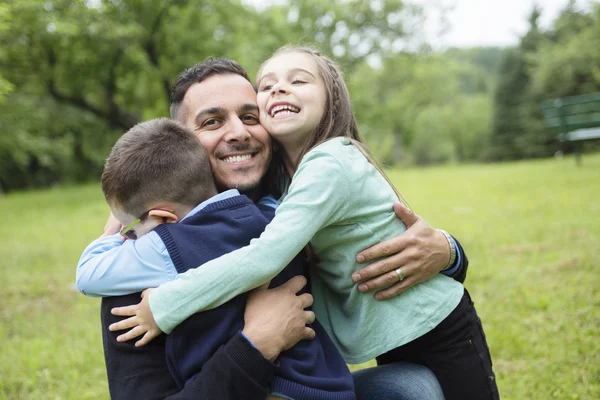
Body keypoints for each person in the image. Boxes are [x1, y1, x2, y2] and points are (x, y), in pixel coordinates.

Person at [112, 47, 499, 400]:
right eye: (212, 121)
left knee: (412, 388)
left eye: (250, 116)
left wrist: (448, 252)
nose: (239, 132)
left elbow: (374, 233)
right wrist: (256, 344)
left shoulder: (287, 198)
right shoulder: (144, 258)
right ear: (183, 142)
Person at [77, 118, 355, 399]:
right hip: (326, 384)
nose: (131, 233)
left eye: (134, 224)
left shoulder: (166, 245)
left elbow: (88, 274)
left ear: (163, 218)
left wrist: (112, 231)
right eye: (212, 122)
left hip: (274, 389)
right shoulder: (273, 219)